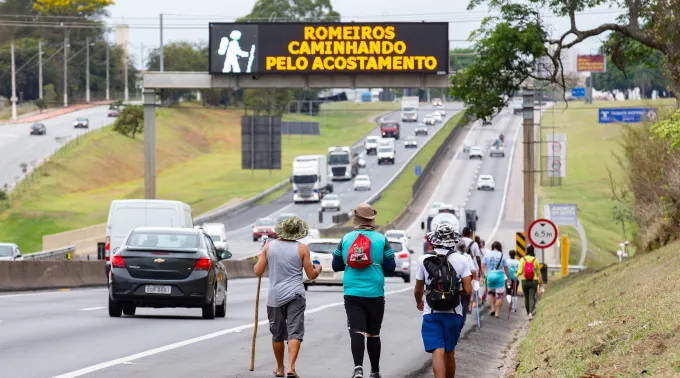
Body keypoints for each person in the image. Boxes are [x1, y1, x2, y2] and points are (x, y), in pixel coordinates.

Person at [332, 203, 395, 378]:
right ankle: (375, 372)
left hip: (352, 291)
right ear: (372, 220)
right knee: (374, 333)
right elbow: (391, 267)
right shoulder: (381, 240)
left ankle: (358, 368)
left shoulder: (346, 239)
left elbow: (336, 265)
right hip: (375, 291)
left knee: (357, 330)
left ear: (356, 220)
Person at [254, 217, 322, 378]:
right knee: (295, 332)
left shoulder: (268, 247)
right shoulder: (302, 249)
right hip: (295, 295)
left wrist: (260, 258)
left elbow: (258, 271)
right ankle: (291, 367)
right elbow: (311, 275)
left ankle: (280, 368)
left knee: (277, 334)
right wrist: (318, 268)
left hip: (275, 297)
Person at [414, 223, 472, 378]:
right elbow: (468, 290)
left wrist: (419, 301)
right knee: (450, 351)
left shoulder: (424, 260)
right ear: (452, 240)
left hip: (431, 312)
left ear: (434, 240)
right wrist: (454, 290)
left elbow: (418, 288)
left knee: (437, 352)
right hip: (454, 312)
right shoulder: (461, 260)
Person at [481, 242, 510, 318]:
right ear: (500, 247)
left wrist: (482, 276)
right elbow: (506, 268)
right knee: (500, 296)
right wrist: (509, 278)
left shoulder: (487, 255)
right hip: (500, 276)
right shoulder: (502, 255)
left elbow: (483, 266)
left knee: (491, 293)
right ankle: (497, 312)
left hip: (490, 275)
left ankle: (492, 308)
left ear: (492, 247)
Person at [514, 245, 544, 320]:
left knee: (526, 298)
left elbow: (520, 271)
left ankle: (528, 313)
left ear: (526, 251)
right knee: (532, 297)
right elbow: (537, 272)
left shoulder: (522, 259)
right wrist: (536, 277)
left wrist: (516, 274)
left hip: (524, 281)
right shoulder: (535, 260)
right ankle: (531, 313)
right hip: (533, 281)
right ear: (533, 251)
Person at [455, 240, 478, 324]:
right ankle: (462, 318)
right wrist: (475, 280)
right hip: (465, 280)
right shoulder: (467, 257)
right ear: (464, 248)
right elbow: (473, 269)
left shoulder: (454, 255)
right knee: (464, 300)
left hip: (455, 281)